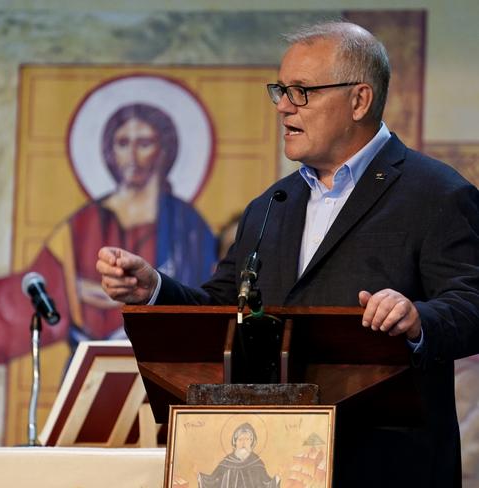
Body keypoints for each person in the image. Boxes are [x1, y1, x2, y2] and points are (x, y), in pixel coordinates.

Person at [96, 21, 479, 488]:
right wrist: (154, 289)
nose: (282, 106)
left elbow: (471, 302)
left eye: (301, 92)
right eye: (280, 90)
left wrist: (418, 319)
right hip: (278, 465)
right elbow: (224, 309)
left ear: (359, 100)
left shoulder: (435, 192)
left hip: (388, 466)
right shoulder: (271, 205)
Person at [0, 103, 216, 363]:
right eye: (123, 143)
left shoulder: (188, 225)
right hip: (93, 369)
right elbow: (40, 286)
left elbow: (206, 301)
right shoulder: (82, 224)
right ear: (109, 151)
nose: (133, 155)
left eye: (145, 143)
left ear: (164, 151)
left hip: (166, 365)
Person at [198, 422, 280, 488]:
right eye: (240, 439)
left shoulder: (257, 462)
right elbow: (213, 480)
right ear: (235, 442)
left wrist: (275, 480)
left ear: (252, 442)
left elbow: (266, 483)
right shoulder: (227, 462)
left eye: (247, 439)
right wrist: (201, 478)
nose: (243, 443)